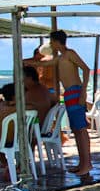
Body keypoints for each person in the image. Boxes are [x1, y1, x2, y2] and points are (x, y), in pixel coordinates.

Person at [25, 30, 92, 175]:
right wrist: (24, 61)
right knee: (75, 130)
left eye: (51, 42)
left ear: (56, 41)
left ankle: (87, 164)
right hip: (68, 94)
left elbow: (86, 69)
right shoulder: (60, 58)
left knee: (81, 130)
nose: (50, 44)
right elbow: (42, 62)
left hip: (75, 92)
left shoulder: (70, 54)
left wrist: (84, 92)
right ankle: (82, 163)